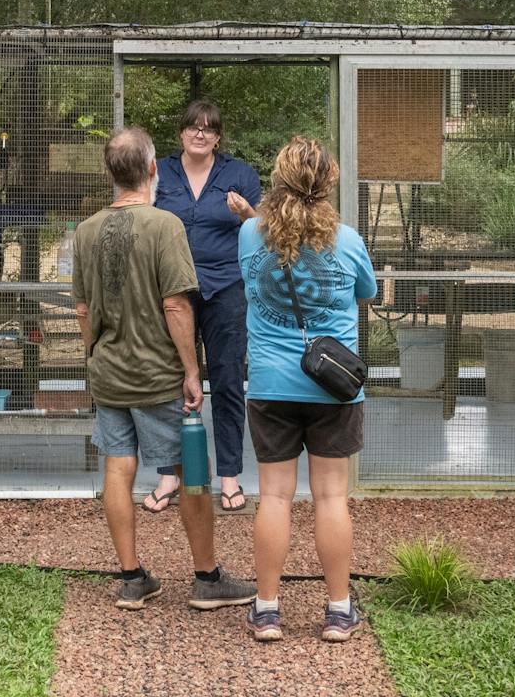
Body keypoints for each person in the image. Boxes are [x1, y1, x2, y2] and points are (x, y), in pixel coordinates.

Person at [73, 126, 254, 611]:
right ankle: (207, 578)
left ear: (110, 173)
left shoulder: (86, 231)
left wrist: (97, 353)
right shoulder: (164, 225)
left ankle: (132, 578)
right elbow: (176, 305)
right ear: (153, 169)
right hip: (156, 375)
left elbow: (83, 310)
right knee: (192, 470)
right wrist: (192, 370)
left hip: (108, 373)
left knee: (118, 468)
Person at [238, 136, 378, 644]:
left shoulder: (250, 234)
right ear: (329, 184)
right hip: (333, 387)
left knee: (274, 496)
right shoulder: (348, 240)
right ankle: (338, 611)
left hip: (271, 385)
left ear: (278, 181)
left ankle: (267, 610)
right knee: (331, 496)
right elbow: (368, 292)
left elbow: (253, 267)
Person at [146, 100, 261, 516]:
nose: (200, 134)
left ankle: (229, 475)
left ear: (218, 137)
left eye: (209, 128)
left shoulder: (240, 174)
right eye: (193, 127)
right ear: (181, 132)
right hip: (171, 290)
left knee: (228, 380)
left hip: (226, 288)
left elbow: (261, 231)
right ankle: (169, 474)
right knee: (170, 380)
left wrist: (246, 212)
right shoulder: (159, 172)